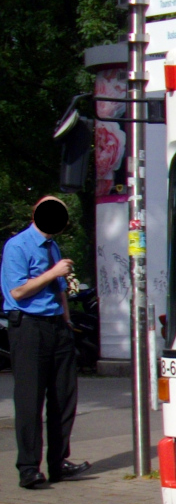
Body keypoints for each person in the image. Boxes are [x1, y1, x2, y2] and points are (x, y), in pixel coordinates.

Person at [2, 196, 91, 488]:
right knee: (30, 400)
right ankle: (29, 468)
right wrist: (53, 272)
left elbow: (60, 290)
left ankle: (58, 463)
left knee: (64, 398)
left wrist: (66, 322)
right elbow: (17, 292)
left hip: (57, 327)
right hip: (29, 328)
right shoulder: (17, 246)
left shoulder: (53, 245)